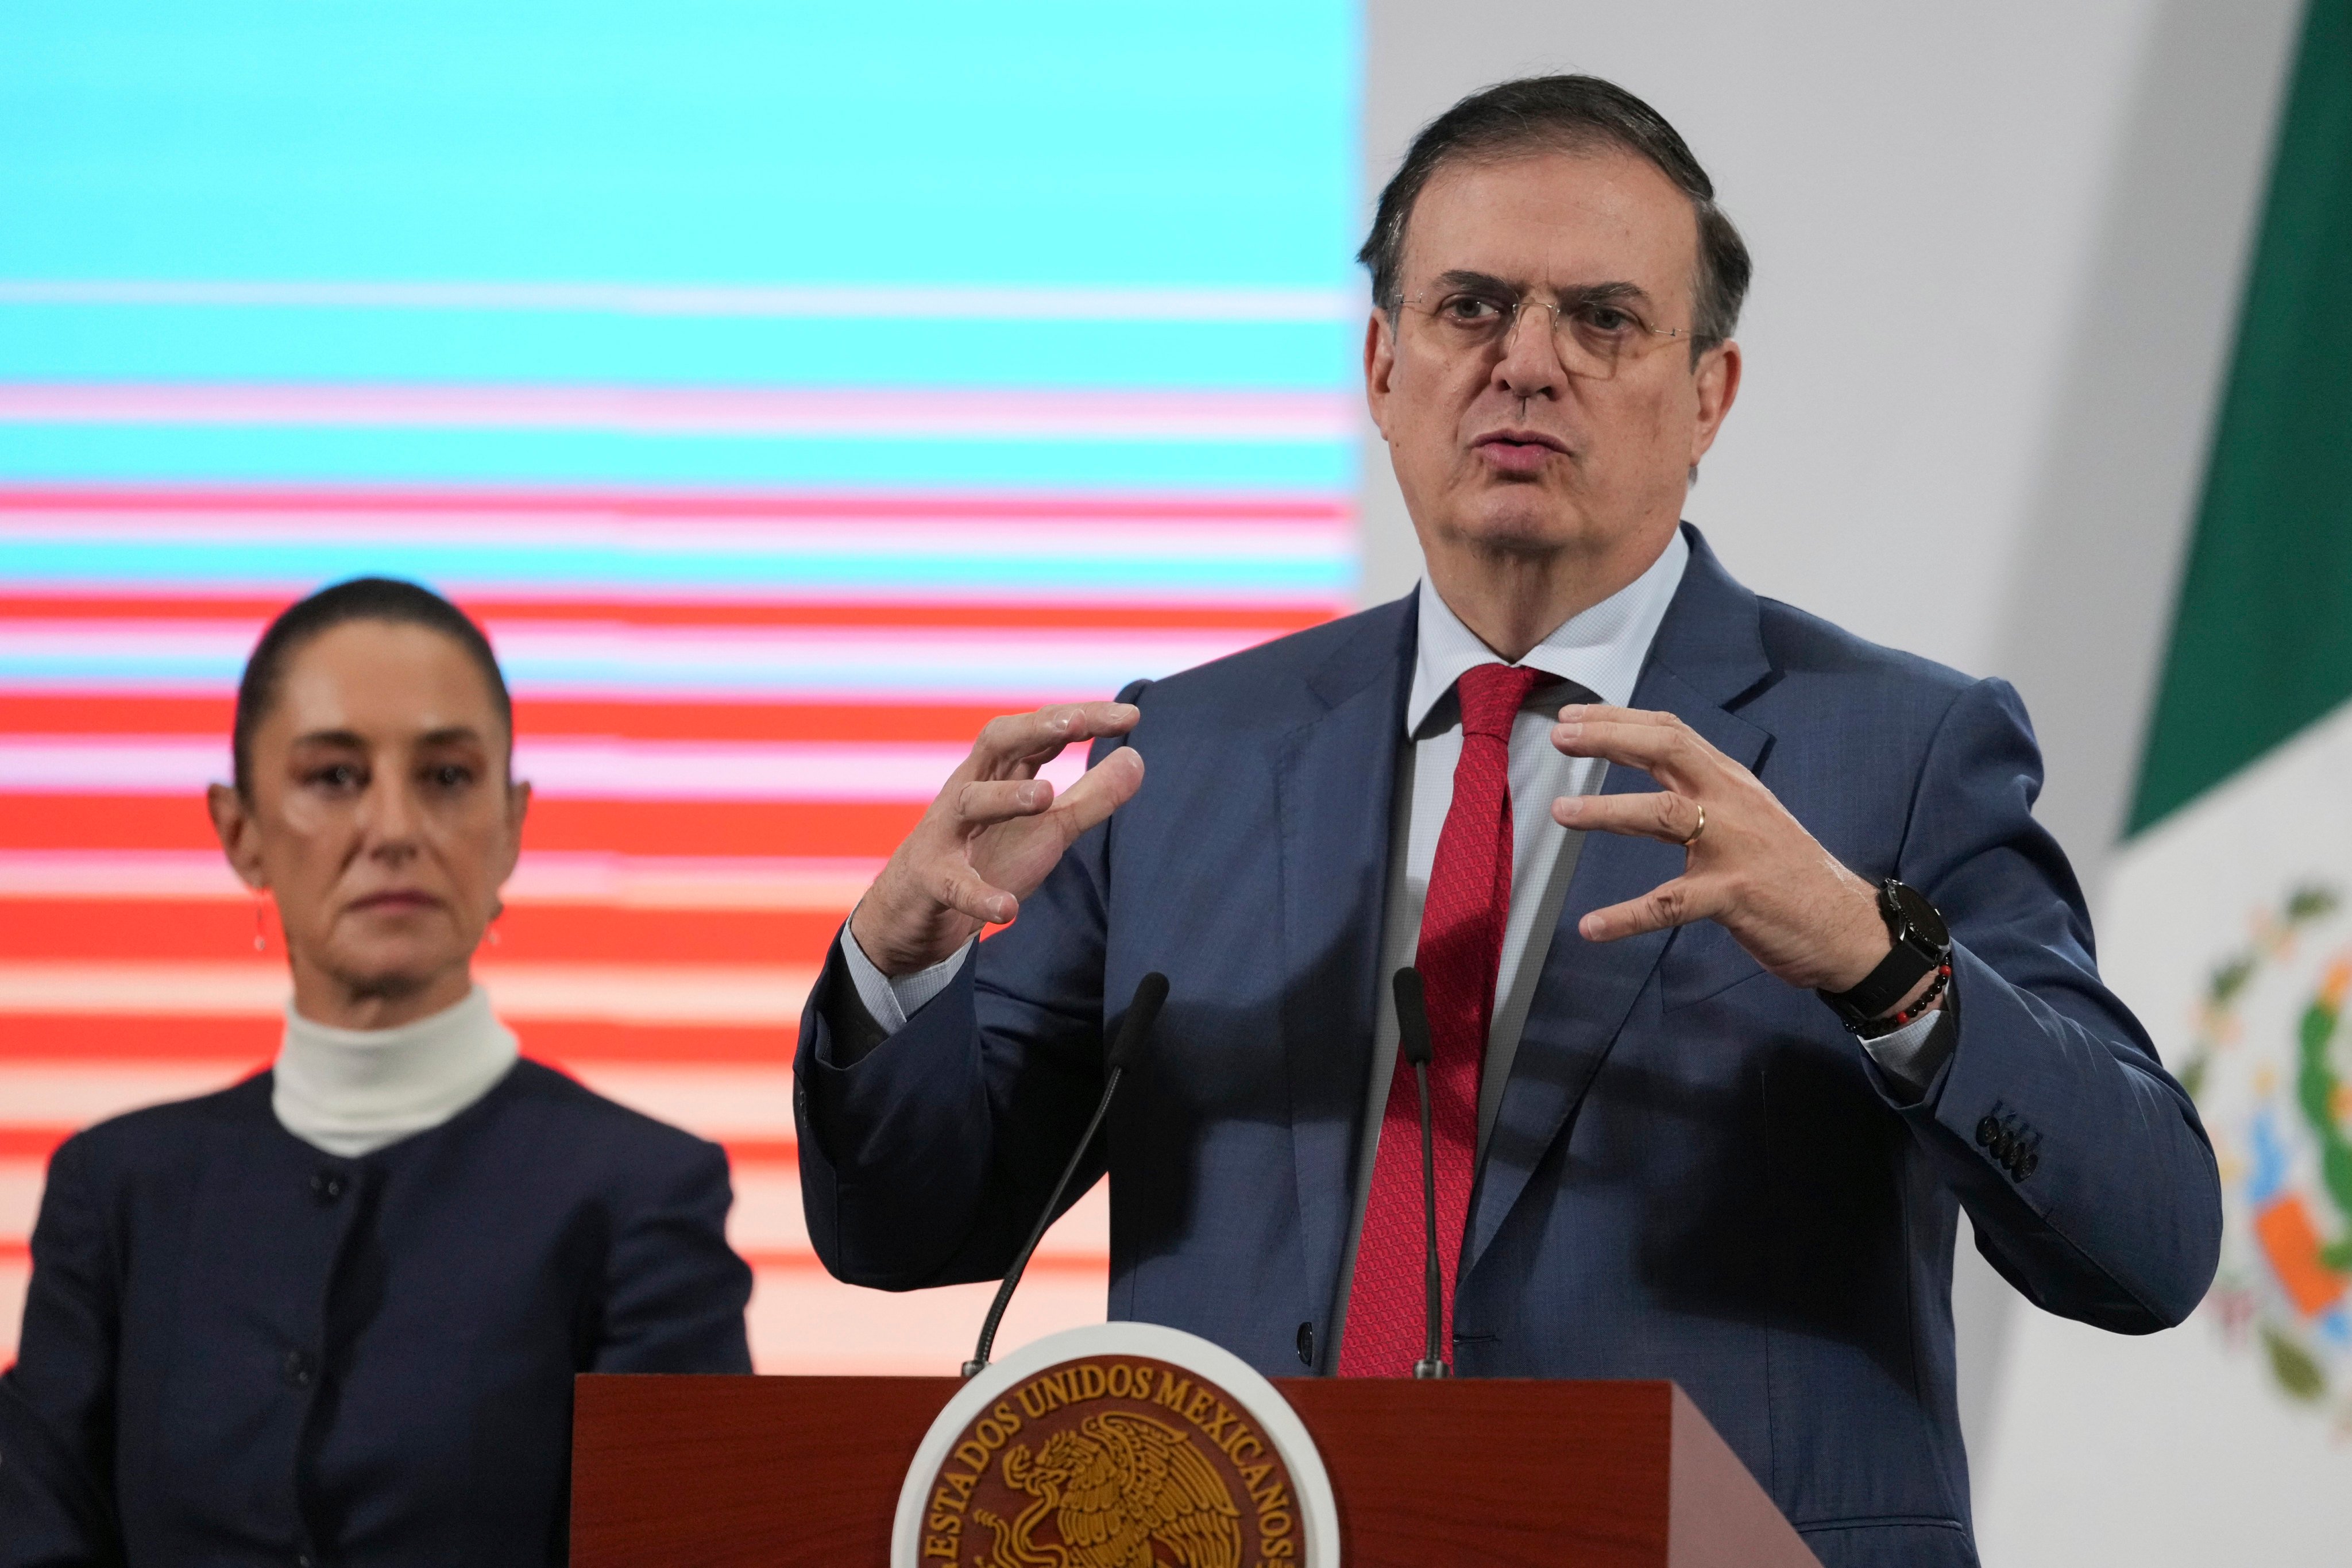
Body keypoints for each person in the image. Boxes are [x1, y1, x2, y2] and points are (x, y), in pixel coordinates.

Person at [793, 75, 2222, 1568]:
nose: (1526, 366)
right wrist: (899, 965)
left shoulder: (1898, 751)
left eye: (1602, 320)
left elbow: (2150, 1243)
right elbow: (909, 1228)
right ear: (1381, 366)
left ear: (1709, 395)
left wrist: (1880, 962)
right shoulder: (1182, 762)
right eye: (1470, 308)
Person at [0, 578, 753, 1567]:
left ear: (512, 823)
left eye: (445, 775)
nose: (394, 827)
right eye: (334, 776)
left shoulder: (643, 1195)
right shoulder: (115, 1193)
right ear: (240, 830)